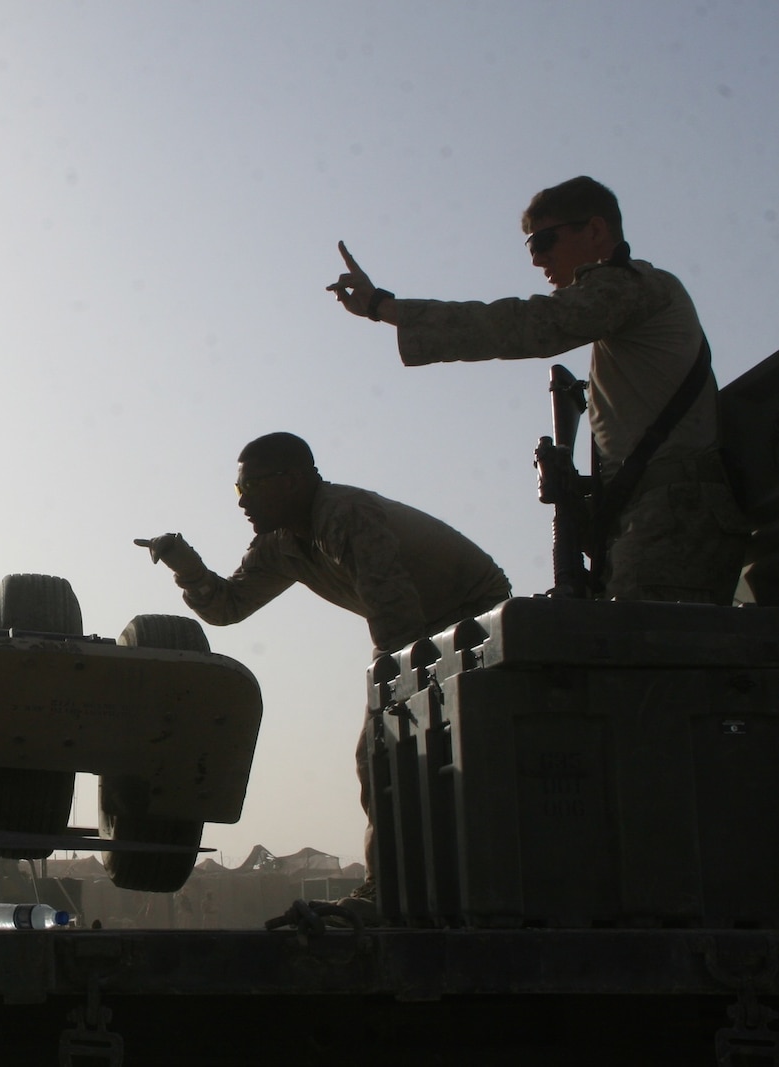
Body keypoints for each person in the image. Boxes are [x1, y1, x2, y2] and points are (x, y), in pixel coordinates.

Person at [136, 432, 511, 919]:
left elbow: (396, 616)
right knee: (385, 756)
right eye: (237, 492)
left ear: (292, 481)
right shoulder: (281, 543)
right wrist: (188, 569)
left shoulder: (346, 516)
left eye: (249, 488)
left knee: (395, 752)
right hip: (421, 631)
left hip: (475, 623)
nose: (242, 502)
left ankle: (406, 890)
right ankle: (397, 887)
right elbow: (230, 606)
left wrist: (391, 700)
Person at [327, 175, 749, 604]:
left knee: (641, 660)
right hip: (653, 515)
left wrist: (386, 308)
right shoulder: (623, 311)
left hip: (674, 518)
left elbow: (527, 325)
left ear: (596, 230)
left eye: (544, 242)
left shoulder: (631, 285)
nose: (537, 260)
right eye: (532, 246)